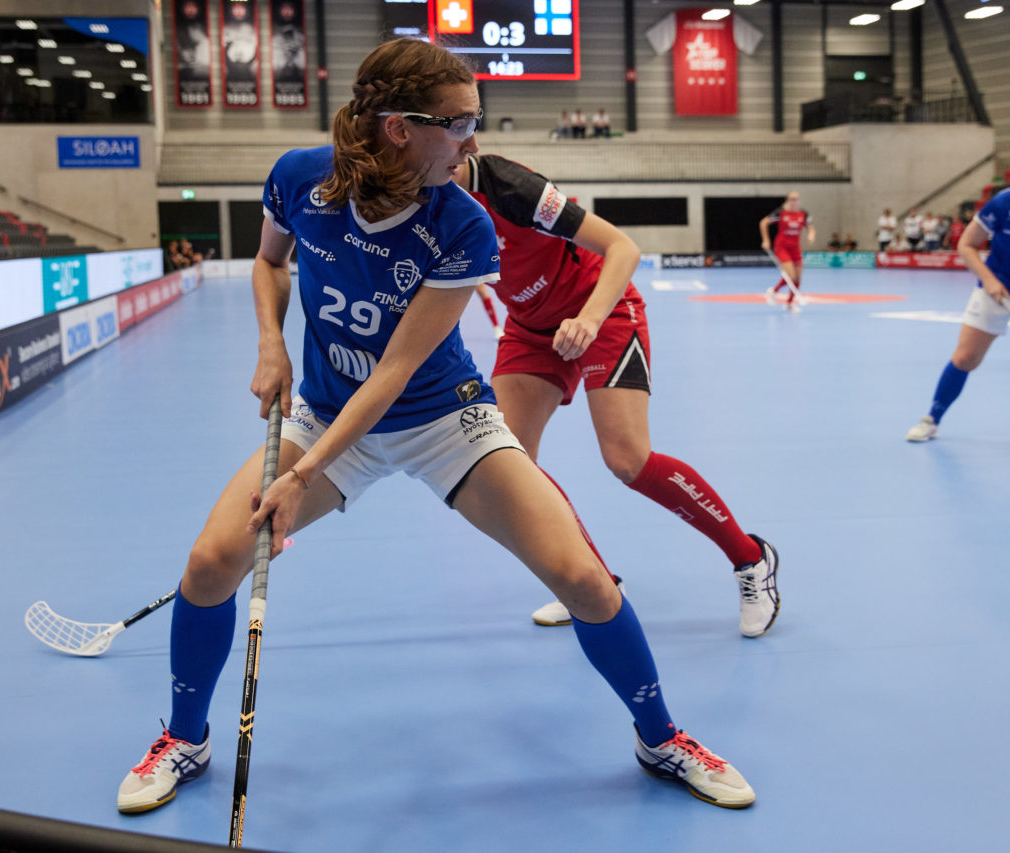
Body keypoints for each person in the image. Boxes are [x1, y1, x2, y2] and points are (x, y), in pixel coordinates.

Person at [115, 38, 755, 818]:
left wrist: (303, 472)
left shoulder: (462, 223)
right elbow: (269, 264)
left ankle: (662, 737)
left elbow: (392, 375)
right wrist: (271, 341)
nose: (473, 141)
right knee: (212, 559)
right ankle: (184, 737)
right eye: (459, 123)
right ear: (399, 128)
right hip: (321, 408)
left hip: (442, 417)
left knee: (584, 577)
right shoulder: (298, 178)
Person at [454, 153, 778, 636]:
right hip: (530, 330)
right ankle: (595, 581)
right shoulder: (420, 198)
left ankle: (751, 559)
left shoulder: (509, 186)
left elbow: (623, 249)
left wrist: (588, 319)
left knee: (628, 459)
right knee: (510, 465)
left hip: (599, 311)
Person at [904, 187, 1010, 442]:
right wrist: (989, 280)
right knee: (966, 358)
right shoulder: (1003, 203)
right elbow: (966, 244)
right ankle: (931, 420)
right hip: (996, 287)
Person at [760, 191, 815, 311]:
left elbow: (810, 227)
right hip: (782, 247)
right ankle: (773, 291)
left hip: (795, 248)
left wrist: (811, 235)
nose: (794, 202)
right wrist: (766, 240)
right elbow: (763, 222)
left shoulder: (803, 214)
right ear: (787, 200)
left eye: (796, 199)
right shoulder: (781, 213)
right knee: (791, 275)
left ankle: (789, 303)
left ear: (799, 201)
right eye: (791, 199)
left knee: (797, 278)